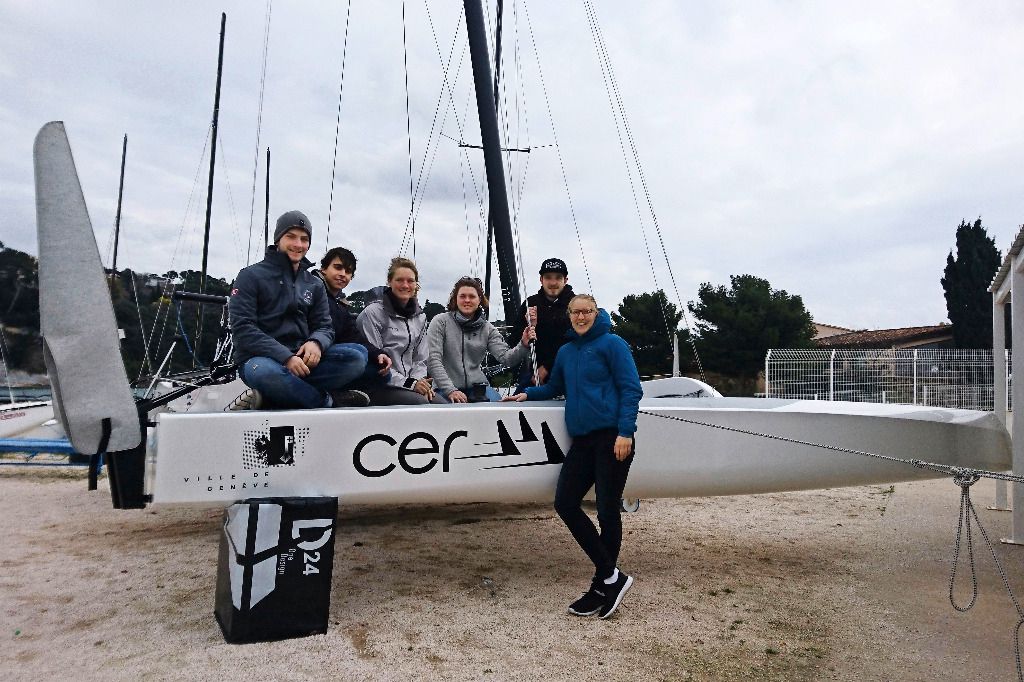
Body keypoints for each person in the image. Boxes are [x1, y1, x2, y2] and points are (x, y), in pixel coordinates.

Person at [503, 294, 642, 619]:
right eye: (576, 312)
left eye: (587, 311)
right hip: (582, 439)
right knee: (565, 503)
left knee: (607, 510)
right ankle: (611, 576)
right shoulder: (567, 351)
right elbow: (554, 388)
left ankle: (601, 584)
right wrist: (527, 393)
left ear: (596, 313)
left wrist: (625, 431)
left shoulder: (613, 344)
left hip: (612, 437)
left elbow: (631, 388)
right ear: (570, 316)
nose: (581, 317)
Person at [228, 210, 370, 409]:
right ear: (278, 239)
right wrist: (285, 357)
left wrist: (316, 343)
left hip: (303, 360)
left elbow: (325, 326)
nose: (298, 244)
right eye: (291, 237)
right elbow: (243, 329)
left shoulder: (313, 283)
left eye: (304, 239)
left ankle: (276, 395)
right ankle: (327, 401)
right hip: (261, 359)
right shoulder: (250, 276)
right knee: (266, 373)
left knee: (357, 356)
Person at [427, 276, 535, 402]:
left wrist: (523, 344)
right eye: (462, 296)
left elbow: (507, 359)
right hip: (443, 388)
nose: (467, 300)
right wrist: (451, 390)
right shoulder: (440, 322)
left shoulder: (487, 328)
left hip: (478, 388)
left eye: (472, 296)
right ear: (455, 299)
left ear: (479, 300)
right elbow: (433, 360)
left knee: (498, 407)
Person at [356, 256, 447, 405]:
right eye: (399, 280)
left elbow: (420, 358)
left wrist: (417, 382)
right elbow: (376, 363)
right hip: (378, 384)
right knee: (420, 403)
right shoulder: (371, 314)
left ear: (416, 284)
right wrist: (410, 384)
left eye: (410, 281)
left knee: (443, 406)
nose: (405, 285)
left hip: (409, 385)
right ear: (389, 281)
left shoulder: (420, 317)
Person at [312, 246, 393, 387]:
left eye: (348, 271)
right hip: (310, 354)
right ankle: (328, 396)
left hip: (332, 358)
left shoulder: (340, 305)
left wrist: (377, 354)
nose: (343, 274)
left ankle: (340, 392)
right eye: (338, 268)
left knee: (381, 374)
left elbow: (352, 336)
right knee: (356, 356)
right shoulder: (310, 290)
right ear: (323, 269)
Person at [509, 258, 575, 393]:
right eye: (548, 277)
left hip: (570, 372)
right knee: (513, 404)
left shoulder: (575, 304)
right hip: (536, 375)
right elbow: (514, 339)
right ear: (541, 280)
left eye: (558, 277)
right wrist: (527, 328)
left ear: (566, 280)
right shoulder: (530, 303)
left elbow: (576, 343)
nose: (553, 282)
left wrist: (547, 367)